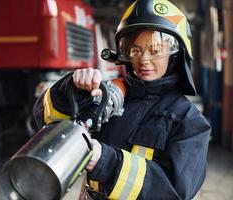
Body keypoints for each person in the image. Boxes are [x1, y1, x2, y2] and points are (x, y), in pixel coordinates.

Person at [33, 0, 211, 199]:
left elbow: (174, 191)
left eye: (156, 50)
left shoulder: (190, 122)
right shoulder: (108, 97)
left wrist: (104, 161)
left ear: (176, 56)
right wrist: (70, 90)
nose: (144, 60)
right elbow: (46, 121)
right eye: (135, 50)